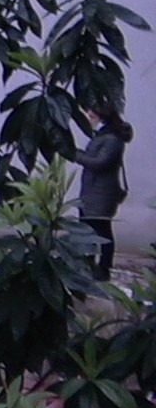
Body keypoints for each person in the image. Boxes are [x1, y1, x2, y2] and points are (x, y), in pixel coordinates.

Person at [73, 102, 134, 280]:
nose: (89, 120)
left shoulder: (113, 140)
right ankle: (89, 265)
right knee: (88, 230)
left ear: (102, 119)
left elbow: (100, 163)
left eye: (92, 117)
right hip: (92, 192)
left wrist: (75, 155)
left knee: (101, 230)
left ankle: (103, 268)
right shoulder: (102, 136)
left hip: (102, 194)